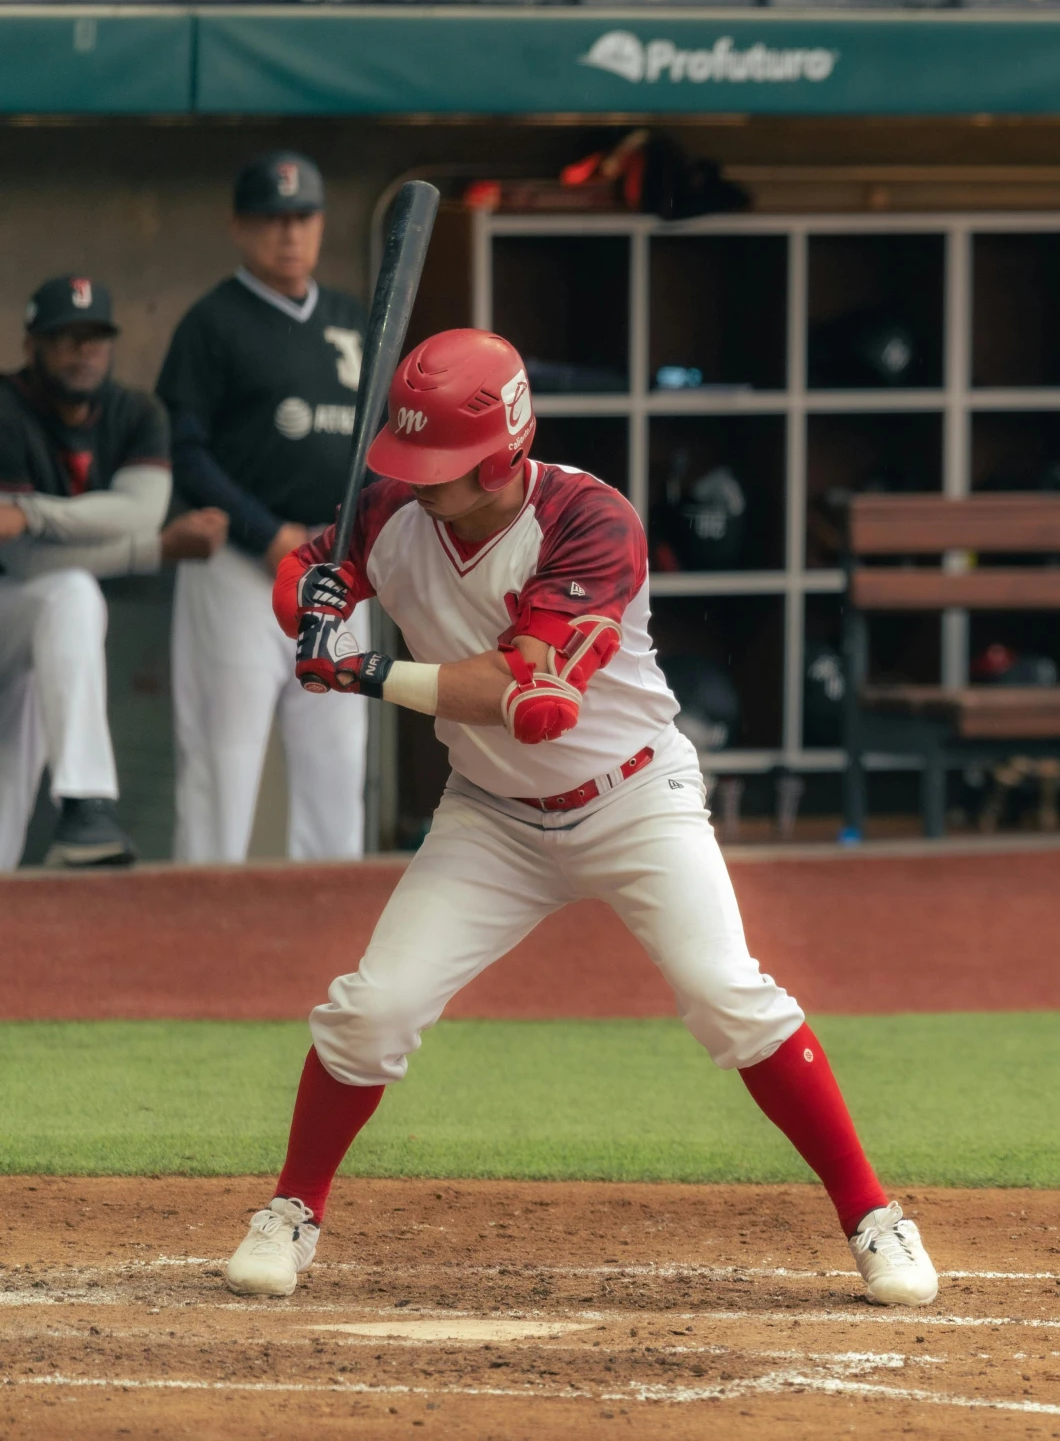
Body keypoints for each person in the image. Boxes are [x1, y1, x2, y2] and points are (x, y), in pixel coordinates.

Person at [222, 328, 937, 1309]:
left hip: (634, 801)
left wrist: (362, 669)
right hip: (492, 818)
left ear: (504, 456)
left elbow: (525, 694)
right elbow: (311, 564)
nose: (416, 481)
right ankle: (293, 1210)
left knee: (727, 994)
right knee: (372, 1008)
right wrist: (311, 602)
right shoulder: (390, 503)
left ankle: (872, 1215)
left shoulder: (590, 522)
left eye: (440, 465)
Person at [160, 151, 372, 864]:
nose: (290, 234)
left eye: (303, 217)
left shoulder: (350, 317)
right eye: (272, 219)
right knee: (224, 765)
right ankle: (200, 932)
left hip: (335, 567)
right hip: (239, 567)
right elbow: (183, 451)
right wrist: (262, 531)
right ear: (239, 227)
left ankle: (325, 928)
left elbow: (381, 448)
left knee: (337, 766)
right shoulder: (211, 323)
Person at [0, 276, 227, 868]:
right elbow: (18, 559)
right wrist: (151, 550)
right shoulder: (4, 407)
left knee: (70, 594)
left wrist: (30, 513)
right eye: (67, 338)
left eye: (96, 337)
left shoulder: (135, 411)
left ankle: (87, 806)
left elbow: (141, 512)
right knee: (65, 591)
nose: (84, 351)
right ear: (32, 345)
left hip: (32, 626)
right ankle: (86, 804)